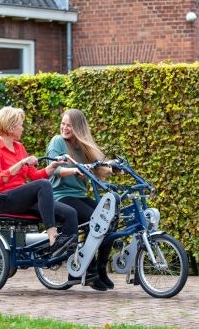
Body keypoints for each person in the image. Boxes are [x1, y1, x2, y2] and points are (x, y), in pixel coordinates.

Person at [0, 106, 78, 257]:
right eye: (20, 124)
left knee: (70, 213)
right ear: (10, 127)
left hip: (21, 200)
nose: (22, 128)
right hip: (1, 200)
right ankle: (53, 237)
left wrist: (51, 168)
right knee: (43, 185)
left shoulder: (19, 147)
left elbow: (34, 176)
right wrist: (21, 163)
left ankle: (72, 262)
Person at [46, 108, 115, 291]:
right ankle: (89, 271)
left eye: (69, 125)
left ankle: (101, 269)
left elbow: (98, 168)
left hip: (80, 196)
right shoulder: (58, 142)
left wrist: (112, 169)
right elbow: (55, 169)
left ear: (78, 128)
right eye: (63, 124)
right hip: (61, 195)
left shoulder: (82, 147)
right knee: (95, 219)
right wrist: (76, 169)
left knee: (110, 220)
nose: (65, 128)